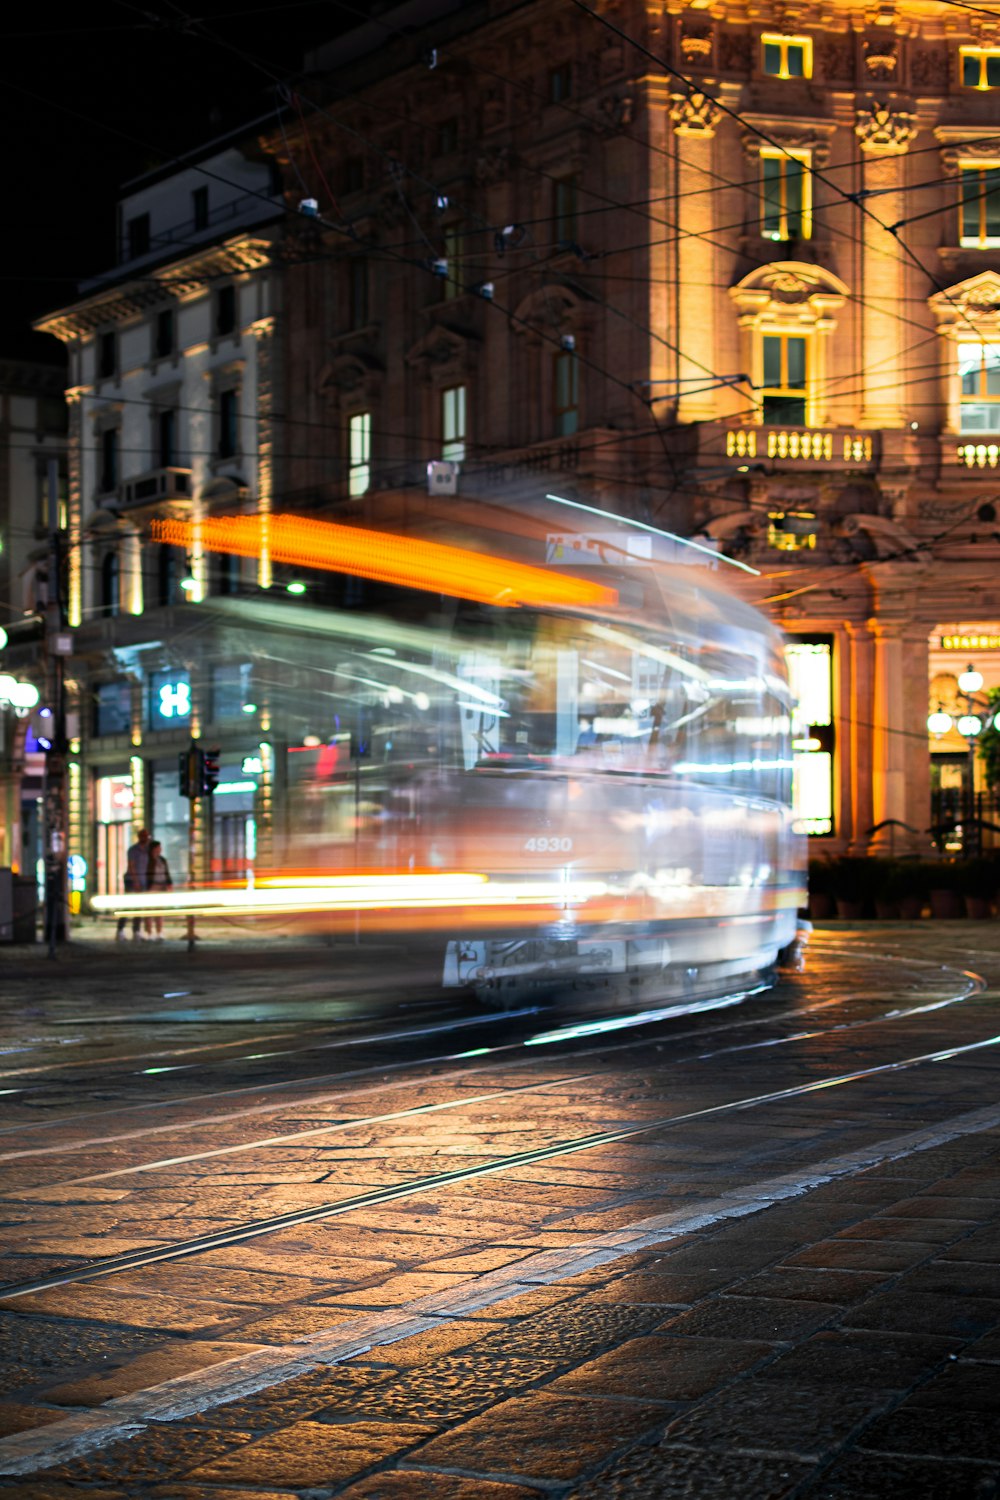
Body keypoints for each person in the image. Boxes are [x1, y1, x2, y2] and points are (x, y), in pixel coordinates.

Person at [116, 827, 151, 942]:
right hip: (132, 881)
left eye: (146, 836)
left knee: (138, 907)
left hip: (143, 881)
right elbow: (131, 866)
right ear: (139, 837)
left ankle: (136, 931)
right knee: (128, 906)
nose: (145, 838)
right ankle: (120, 930)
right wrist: (135, 881)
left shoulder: (148, 850)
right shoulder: (133, 850)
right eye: (143, 836)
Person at [146, 840, 172, 941]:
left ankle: (159, 932)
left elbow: (167, 873)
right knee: (149, 911)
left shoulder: (162, 860)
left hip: (162, 886)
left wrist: (169, 884)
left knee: (160, 911)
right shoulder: (148, 860)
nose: (160, 849)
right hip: (152, 886)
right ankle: (149, 932)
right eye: (158, 847)